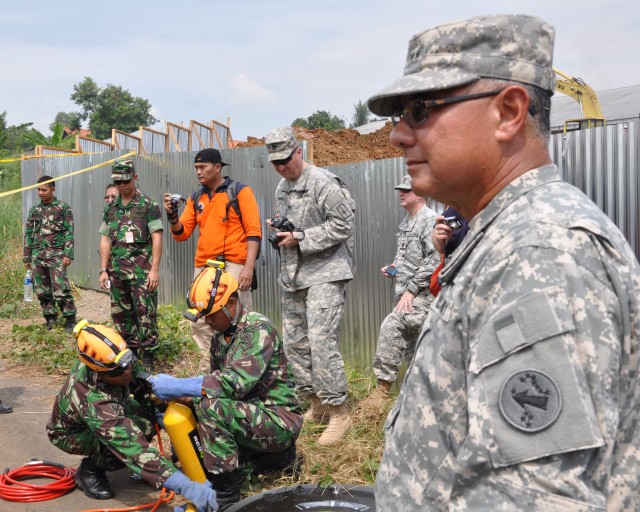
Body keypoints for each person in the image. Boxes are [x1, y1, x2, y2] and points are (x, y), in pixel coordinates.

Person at [367, 14, 640, 510]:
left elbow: (535, 498)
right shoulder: (505, 235)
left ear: (509, 113)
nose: (398, 137)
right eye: (399, 116)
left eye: (421, 111)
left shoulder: (539, 253)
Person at [149, 265, 302, 509]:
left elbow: (234, 383)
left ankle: (226, 493)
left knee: (212, 408)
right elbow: (216, 383)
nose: (208, 322)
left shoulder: (258, 330)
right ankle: (274, 459)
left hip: (278, 419)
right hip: (250, 412)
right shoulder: (220, 336)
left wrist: (180, 386)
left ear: (231, 304)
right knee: (200, 403)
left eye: (212, 315)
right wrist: (185, 398)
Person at [46, 321, 218, 512]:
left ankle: (147, 468)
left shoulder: (114, 358)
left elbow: (138, 377)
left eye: (127, 362)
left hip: (115, 405)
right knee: (136, 435)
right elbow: (131, 446)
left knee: (151, 417)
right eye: (120, 371)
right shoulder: (93, 398)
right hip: (71, 433)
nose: (127, 371)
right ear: (100, 373)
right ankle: (90, 469)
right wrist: (187, 487)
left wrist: (160, 393)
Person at [264, 126, 355, 446]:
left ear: (298, 151)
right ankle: (315, 402)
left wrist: (301, 238)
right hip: (294, 275)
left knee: (320, 343)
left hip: (326, 273)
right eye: (275, 162)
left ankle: (339, 411)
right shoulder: (281, 188)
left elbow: (344, 225)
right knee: (295, 344)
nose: (281, 167)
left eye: (285, 160)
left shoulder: (323, 182)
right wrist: (281, 233)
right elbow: (291, 225)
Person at [163, 149, 262, 364]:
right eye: (196, 168)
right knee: (199, 316)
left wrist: (249, 267)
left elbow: (254, 231)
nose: (198, 172)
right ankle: (207, 366)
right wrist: (172, 216)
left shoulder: (240, 191)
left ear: (217, 167)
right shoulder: (196, 197)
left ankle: (244, 364)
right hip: (205, 266)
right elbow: (182, 233)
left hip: (234, 263)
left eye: (203, 167)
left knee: (238, 315)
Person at [360, 175, 438, 414]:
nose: (401, 193)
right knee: (416, 352)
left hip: (423, 297)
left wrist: (412, 289)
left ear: (421, 193)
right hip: (405, 294)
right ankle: (422, 404)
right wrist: (393, 268)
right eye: (400, 190)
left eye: (407, 189)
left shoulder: (430, 220)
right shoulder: (407, 222)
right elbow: (407, 257)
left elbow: (435, 259)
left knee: (392, 325)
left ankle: (382, 392)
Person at [99, 159, 162, 370]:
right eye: (118, 182)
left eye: (125, 181)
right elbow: (106, 239)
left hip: (142, 271)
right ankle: (131, 353)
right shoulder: (111, 207)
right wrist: (103, 269)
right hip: (117, 272)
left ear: (135, 177)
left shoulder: (148, 205)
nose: (122, 186)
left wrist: (154, 270)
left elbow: (157, 238)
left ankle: (149, 356)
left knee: (146, 314)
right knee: (121, 315)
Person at [23, 175, 77, 332]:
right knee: (42, 290)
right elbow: (28, 233)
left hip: (56, 255)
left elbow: (69, 231)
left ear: (53, 189)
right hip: (37, 255)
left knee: (60, 288)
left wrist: (68, 254)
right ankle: (50, 318)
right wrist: (27, 255)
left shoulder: (62, 208)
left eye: (44, 190)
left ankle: (70, 319)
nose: (40, 193)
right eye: (38, 189)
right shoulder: (34, 209)